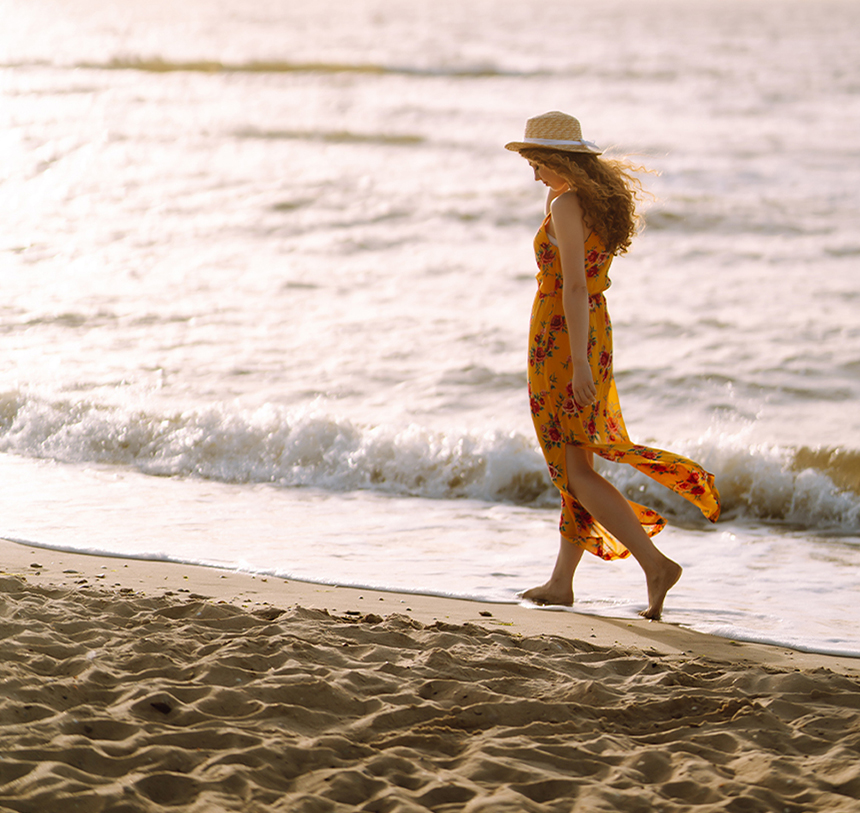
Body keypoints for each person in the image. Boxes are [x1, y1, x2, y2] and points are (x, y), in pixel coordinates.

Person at [505, 111, 720, 620]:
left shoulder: (564, 203)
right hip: (590, 329)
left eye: (536, 161)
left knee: (575, 467)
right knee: (575, 461)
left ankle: (654, 564)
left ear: (558, 160)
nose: (532, 171)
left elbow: (575, 285)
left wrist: (578, 364)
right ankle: (561, 581)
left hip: (565, 339)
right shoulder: (585, 200)